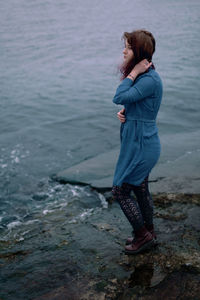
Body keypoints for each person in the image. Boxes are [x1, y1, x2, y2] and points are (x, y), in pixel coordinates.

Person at [112, 29, 163, 255]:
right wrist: (127, 113)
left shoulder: (148, 78)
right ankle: (148, 232)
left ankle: (142, 236)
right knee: (140, 189)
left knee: (120, 190)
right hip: (139, 140)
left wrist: (132, 73)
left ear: (139, 52)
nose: (124, 51)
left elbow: (119, 96)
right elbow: (131, 103)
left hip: (142, 144)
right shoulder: (146, 78)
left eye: (129, 47)